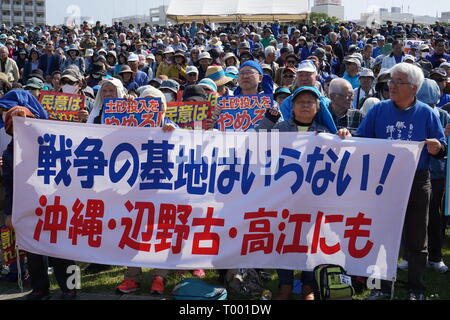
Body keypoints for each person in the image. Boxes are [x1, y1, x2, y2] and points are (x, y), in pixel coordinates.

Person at [351, 63, 447, 300]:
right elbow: (361, 140)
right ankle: (382, 287)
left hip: (417, 181)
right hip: (382, 182)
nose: (391, 86)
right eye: (391, 81)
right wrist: (346, 136)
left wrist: (437, 148)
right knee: (382, 235)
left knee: (416, 238)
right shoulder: (378, 111)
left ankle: (416, 287)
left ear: (413, 87)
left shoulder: (426, 113)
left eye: (398, 82)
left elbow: (442, 148)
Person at [256, 86, 341, 300]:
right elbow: (255, 140)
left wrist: (343, 137)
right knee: (284, 238)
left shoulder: (325, 133)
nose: (305, 105)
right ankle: (285, 284)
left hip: (314, 198)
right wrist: (268, 120)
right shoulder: (281, 128)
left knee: (310, 240)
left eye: (310, 102)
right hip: (283, 197)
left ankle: (308, 285)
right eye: (300, 101)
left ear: (317, 107)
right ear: (292, 107)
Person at [0, 90, 77, 300]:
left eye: (25, 121)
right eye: (15, 124)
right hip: (28, 207)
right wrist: (9, 213)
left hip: (57, 205)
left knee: (63, 250)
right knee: (33, 250)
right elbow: (9, 185)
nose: (21, 127)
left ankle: (71, 287)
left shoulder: (51, 145)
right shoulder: (9, 153)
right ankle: (40, 288)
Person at [414, 79, 449, 274]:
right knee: (413, 217)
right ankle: (413, 256)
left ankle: (435, 256)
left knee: (435, 216)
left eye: (431, 104)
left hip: (437, 175)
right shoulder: (414, 114)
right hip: (415, 172)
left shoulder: (444, 115)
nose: (429, 107)